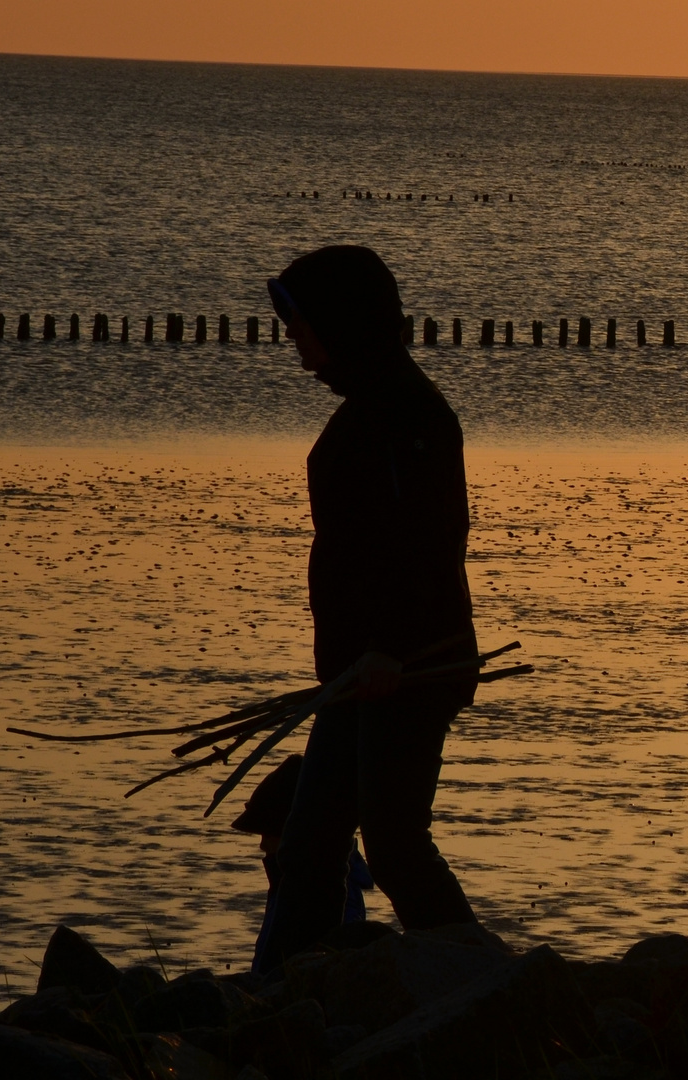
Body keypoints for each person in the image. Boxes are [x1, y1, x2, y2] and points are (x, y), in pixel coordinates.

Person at [252, 245, 480, 973]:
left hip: (410, 665)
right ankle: (280, 988)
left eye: (302, 322)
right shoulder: (370, 406)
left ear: (344, 323)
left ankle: (484, 978)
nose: (293, 337)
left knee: (392, 841)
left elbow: (426, 545)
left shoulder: (411, 415)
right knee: (313, 833)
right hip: (362, 669)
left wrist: (386, 647)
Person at [231, 754, 373, 973]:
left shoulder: (339, 895)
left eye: (270, 834)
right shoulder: (285, 882)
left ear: (296, 834)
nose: (263, 845)